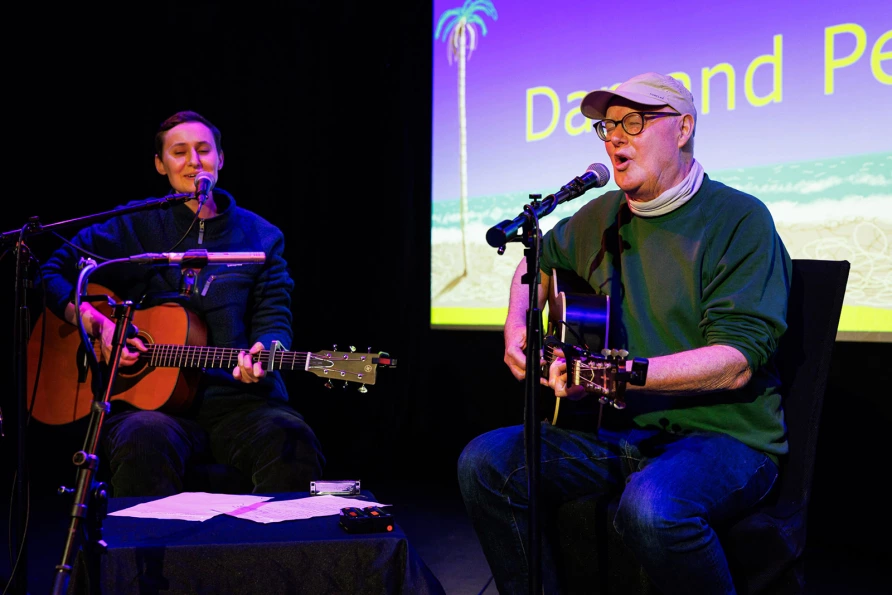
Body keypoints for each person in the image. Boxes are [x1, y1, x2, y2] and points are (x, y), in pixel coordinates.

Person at [457, 72, 792, 594]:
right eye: (607, 126)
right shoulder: (601, 216)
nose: (615, 137)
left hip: (726, 438)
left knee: (653, 508)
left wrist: (619, 375)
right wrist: (516, 323)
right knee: (486, 463)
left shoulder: (739, 219)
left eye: (633, 122)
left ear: (683, 128)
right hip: (618, 435)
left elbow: (735, 362)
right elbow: (535, 265)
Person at [39, 110, 326, 497]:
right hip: (153, 408)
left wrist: (267, 350)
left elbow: (274, 315)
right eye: (179, 152)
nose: (194, 161)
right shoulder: (133, 224)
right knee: (142, 439)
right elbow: (53, 271)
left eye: (204, 150)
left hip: (242, 403)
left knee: (293, 441)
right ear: (161, 164)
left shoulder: (262, 236)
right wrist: (97, 324)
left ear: (220, 158)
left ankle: (271, 540)